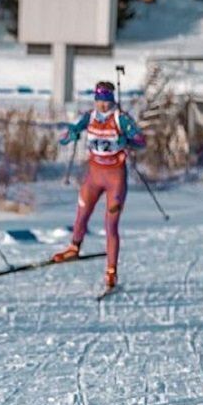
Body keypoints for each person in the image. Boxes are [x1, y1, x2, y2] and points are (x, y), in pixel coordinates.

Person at [51, 81, 146, 290]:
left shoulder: (121, 119)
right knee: (81, 214)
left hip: (115, 179)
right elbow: (65, 136)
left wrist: (127, 141)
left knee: (110, 225)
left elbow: (141, 141)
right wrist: (71, 134)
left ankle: (111, 271)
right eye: (99, 101)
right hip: (94, 176)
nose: (102, 105)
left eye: (106, 101)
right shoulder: (90, 117)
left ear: (112, 101)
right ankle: (74, 248)